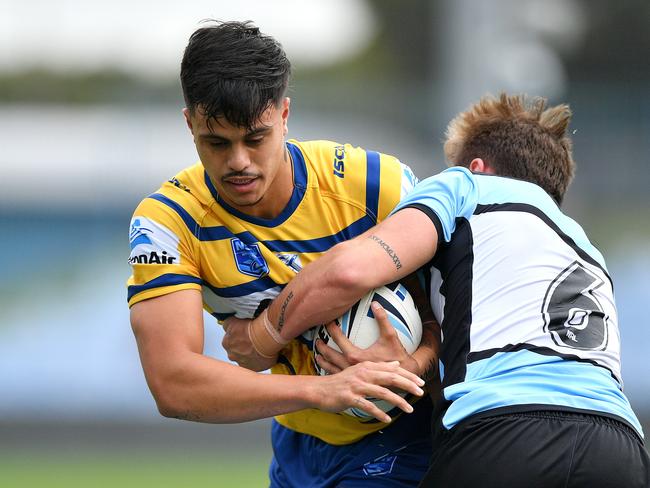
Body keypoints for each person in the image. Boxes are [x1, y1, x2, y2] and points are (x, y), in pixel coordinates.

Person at [243, 93, 650, 487]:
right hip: (621, 447)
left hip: (506, 431)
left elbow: (352, 270)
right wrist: (415, 363)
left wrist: (262, 335)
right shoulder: (585, 248)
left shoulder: (467, 186)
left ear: (475, 165)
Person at [127, 20, 437, 487]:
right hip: (294, 442)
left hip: (405, 435)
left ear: (284, 114)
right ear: (189, 123)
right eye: (216, 142)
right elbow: (172, 381)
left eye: (255, 138)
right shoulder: (167, 222)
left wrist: (418, 360)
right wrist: (322, 390)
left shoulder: (375, 186)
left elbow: (466, 312)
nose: (239, 162)